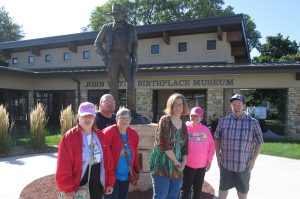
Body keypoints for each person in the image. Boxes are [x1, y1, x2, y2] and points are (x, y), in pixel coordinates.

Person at [56, 102, 115, 199]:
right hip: (78, 182)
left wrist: (109, 182)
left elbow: (108, 161)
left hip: (98, 181)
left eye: (91, 116)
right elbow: (63, 165)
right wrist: (68, 188)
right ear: (78, 117)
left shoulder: (100, 135)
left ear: (94, 118)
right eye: (84, 116)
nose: (88, 119)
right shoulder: (69, 137)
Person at [214, 94, 264, 199]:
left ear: (244, 106)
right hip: (226, 164)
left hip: (243, 165)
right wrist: (218, 156)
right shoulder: (223, 121)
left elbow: (260, 142)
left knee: (242, 192)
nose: (236, 107)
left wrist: (253, 160)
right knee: (223, 189)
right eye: (234, 105)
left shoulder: (253, 122)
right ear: (230, 106)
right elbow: (217, 138)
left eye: (239, 104)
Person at [94, 3, 138, 112]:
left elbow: (135, 45)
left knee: (131, 83)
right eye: (114, 14)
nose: (116, 16)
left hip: (127, 59)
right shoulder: (106, 28)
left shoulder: (131, 28)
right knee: (113, 86)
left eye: (118, 13)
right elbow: (97, 43)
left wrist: (135, 60)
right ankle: (114, 111)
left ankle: (131, 110)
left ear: (123, 14)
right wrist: (104, 56)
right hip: (112, 59)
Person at [149, 93, 189, 199]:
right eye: (175, 104)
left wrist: (183, 162)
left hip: (178, 167)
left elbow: (185, 147)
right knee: (161, 196)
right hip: (162, 165)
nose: (178, 107)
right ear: (170, 105)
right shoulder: (165, 120)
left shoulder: (184, 125)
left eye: (180, 104)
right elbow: (164, 144)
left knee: (173, 196)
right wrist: (176, 162)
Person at [103, 107, 141, 199]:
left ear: (130, 120)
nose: (125, 121)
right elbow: (104, 155)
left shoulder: (133, 134)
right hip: (112, 176)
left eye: (127, 118)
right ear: (116, 119)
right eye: (122, 118)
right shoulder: (108, 132)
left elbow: (135, 153)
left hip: (126, 175)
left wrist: (137, 168)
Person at [180, 107, 215, 199]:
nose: (194, 118)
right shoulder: (184, 128)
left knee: (197, 190)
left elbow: (211, 146)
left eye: (197, 116)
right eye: (192, 116)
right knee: (185, 190)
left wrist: (209, 161)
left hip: (201, 166)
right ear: (189, 116)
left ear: (201, 117)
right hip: (188, 165)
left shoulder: (206, 130)